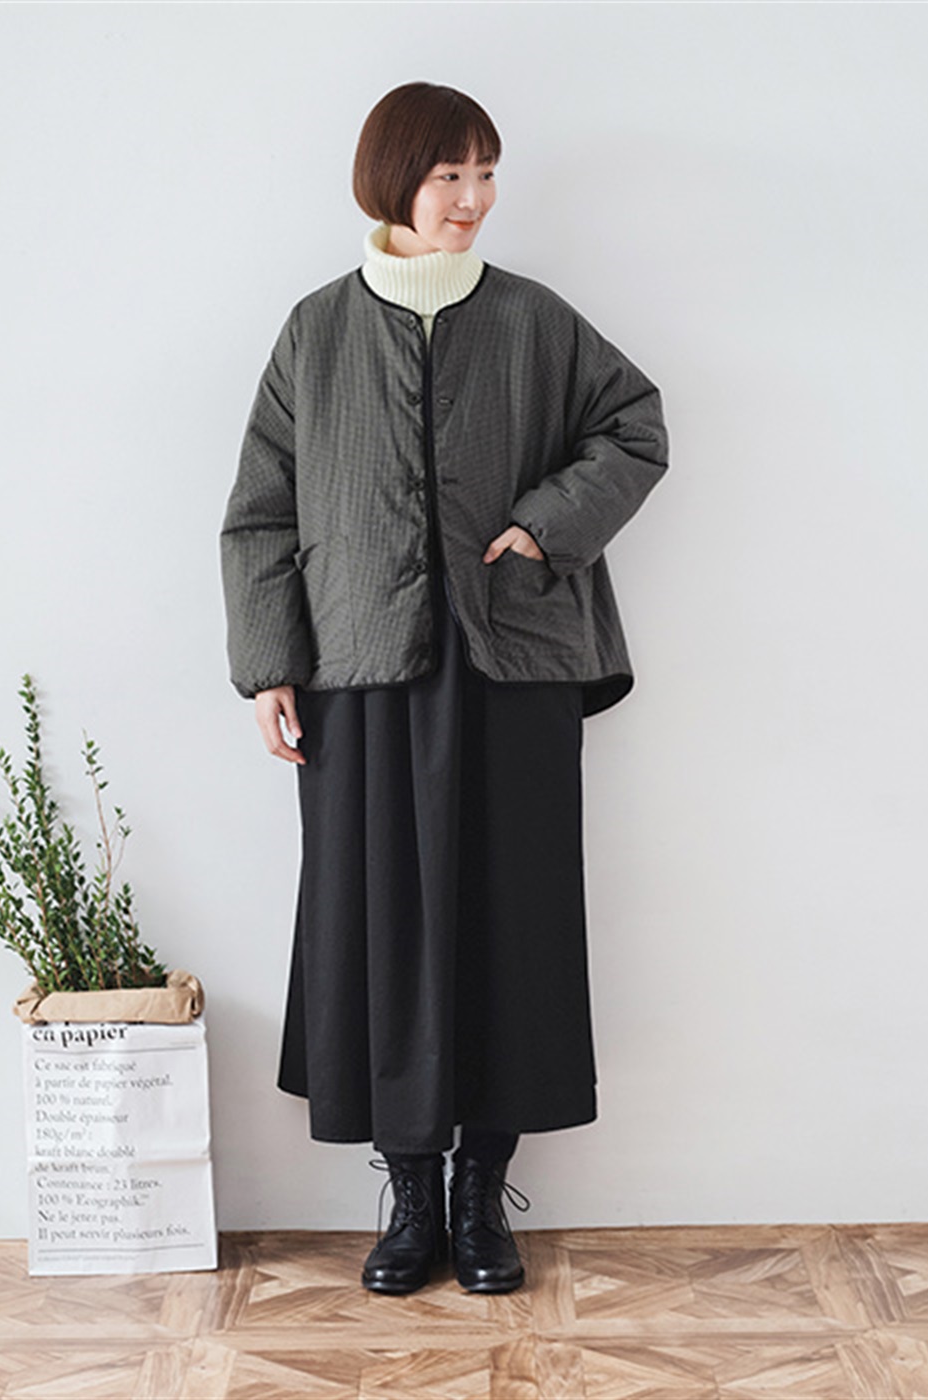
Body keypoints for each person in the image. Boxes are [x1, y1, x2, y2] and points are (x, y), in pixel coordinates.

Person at [221, 81, 669, 1296]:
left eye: (485, 174)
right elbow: (261, 511)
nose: (472, 199)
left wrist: (543, 526)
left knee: (511, 924)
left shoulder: (533, 319)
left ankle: (482, 1196)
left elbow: (635, 426)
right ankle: (409, 1192)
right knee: (376, 928)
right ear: (394, 181)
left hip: (513, 666)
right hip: (360, 674)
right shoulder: (317, 330)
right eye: (448, 175)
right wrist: (268, 662)